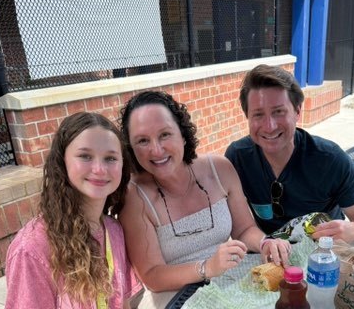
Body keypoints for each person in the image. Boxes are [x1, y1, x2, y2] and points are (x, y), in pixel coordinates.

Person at [121, 90, 288, 301]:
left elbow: (244, 229)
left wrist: (265, 242)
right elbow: (152, 276)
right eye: (143, 141)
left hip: (231, 282)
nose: (156, 150)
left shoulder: (220, 169)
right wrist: (207, 267)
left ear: (182, 135)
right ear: (131, 147)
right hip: (175, 297)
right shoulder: (134, 197)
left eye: (165, 134)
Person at [226, 65, 354, 243]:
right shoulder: (237, 158)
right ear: (248, 117)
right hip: (269, 257)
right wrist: (265, 244)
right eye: (258, 115)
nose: (269, 126)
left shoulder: (330, 159)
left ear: (297, 111)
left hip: (322, 257)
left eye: (278, 112)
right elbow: (241, 228)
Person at [6, 112, 142, 309]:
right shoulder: (32, 249)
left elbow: (124, 303)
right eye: (85, 156)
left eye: (110, 158)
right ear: (62, 163)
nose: (99, 169)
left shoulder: (114, 230)